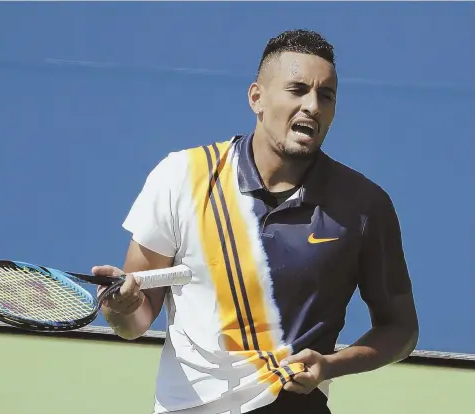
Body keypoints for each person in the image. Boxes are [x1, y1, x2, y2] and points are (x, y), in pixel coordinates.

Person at [93, 29, 419, 414]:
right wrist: (120, 307)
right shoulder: (181, 176)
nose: (313, 105)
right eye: (297, 90)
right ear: (256, 98)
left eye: (325, 95)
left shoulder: (365, 206)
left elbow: (400, 329)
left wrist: (331, 365)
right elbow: (134, 321)